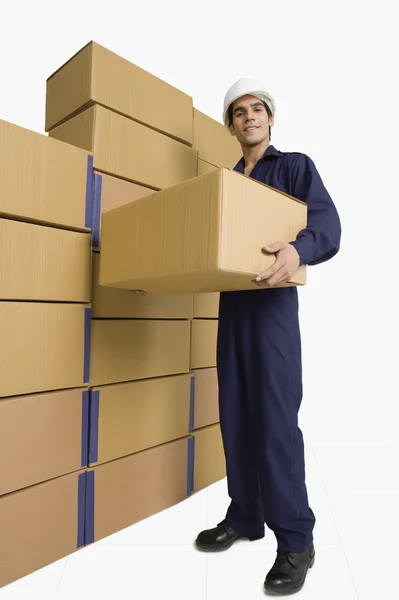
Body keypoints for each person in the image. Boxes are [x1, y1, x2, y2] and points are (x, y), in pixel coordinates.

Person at [194, 78, 341, 596]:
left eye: (257, 109)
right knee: (234, 414)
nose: (249, 117)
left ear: (270, 119)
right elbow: (201, 241)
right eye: (239, 112)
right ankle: (246, 515)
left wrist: (299, 251)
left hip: (273, 306)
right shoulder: (228, 181)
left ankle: (296, 539)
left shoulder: (294, 166)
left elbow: (327, 223)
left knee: (276, 422)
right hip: (232, 305)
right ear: (231, 125)